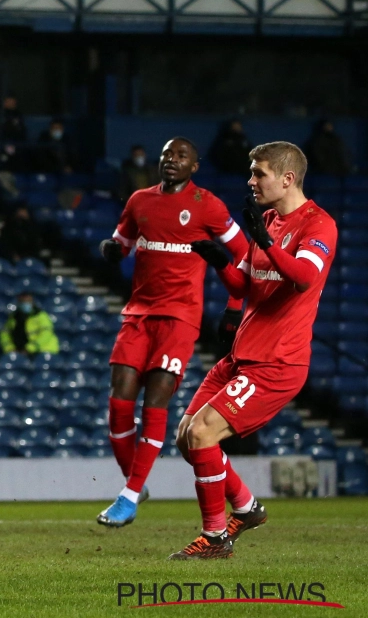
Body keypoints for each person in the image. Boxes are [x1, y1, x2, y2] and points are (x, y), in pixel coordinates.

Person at [179, 142, 336, 559]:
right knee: (186, 438)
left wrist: (265, 241)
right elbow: (245, 285)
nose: (251, 181)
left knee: (201, 433)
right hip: (243, 353)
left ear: (287, 179)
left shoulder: (319, 226)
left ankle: (215, 539)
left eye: (259, 173)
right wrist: (219, 262)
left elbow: (303, 276)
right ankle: (246, 509)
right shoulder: (267, 219)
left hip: (277, 362)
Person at [94, 137, 248, 529]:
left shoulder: (208, 205)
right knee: (119, 402)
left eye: (181, 156)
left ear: (194, 166)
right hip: (138, 314)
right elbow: (122, 244)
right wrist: (111, 251)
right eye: (167, 155)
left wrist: (233, 307)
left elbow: (244, 255)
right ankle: (135, 482)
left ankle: (129, 497)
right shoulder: (139, 201)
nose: (172, 160)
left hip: (180, 317)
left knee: (157, 399)